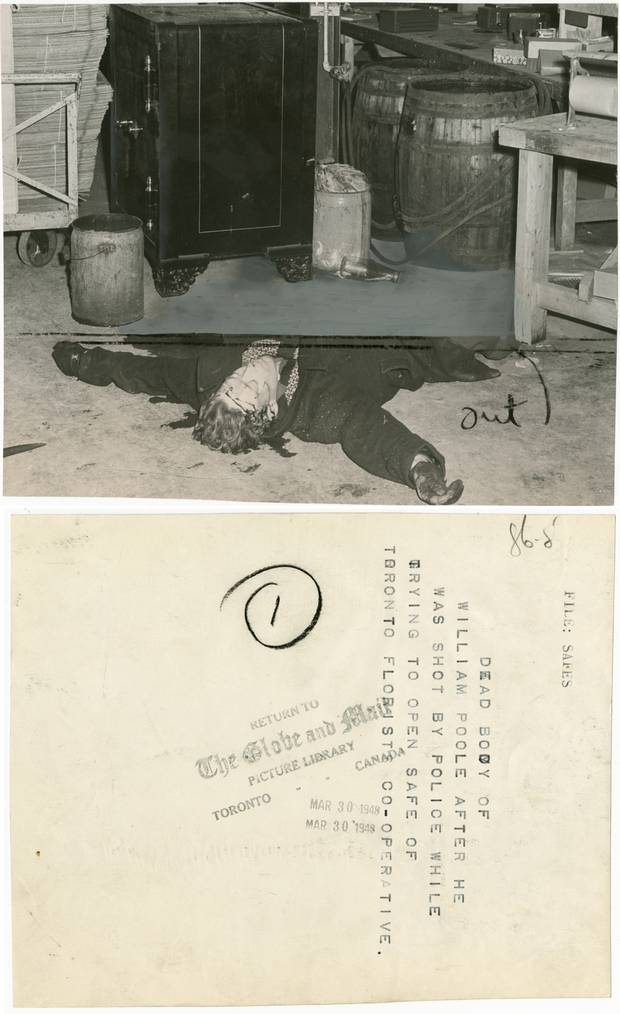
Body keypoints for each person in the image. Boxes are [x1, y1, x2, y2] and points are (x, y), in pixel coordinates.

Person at [52, 337, 500, 504]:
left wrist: (85, 361)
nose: (241, 376)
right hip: (368, 352)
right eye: (247, 389)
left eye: (231, 385)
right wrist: (419, 468)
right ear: (267, 410)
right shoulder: (317, 409)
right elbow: (367, 429)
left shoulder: (213, 376)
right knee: (434, 345)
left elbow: (144, 372)